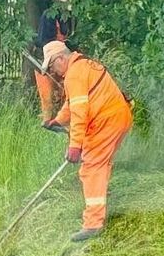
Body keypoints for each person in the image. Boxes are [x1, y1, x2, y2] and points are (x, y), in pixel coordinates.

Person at [40, 41, 133, 242]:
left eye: (52, 67)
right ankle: (97, 208)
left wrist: (75, 146)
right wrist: (58, 121)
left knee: (91, 167)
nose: (53, 72)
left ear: (60, 59)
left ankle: (93, 224)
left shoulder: (74, 74)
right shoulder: (82, 65)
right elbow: (72, 103)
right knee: (99, 164)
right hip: (118, 117)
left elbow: (80, 113)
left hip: (106, 121)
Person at [33, 0, 73, 124]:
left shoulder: (69, 17)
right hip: (46, 58)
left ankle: (63, 120)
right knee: (47, 95)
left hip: (62, 58)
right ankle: (47, 122)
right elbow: (43, 40)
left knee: (65, 91)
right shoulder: (48, 15)